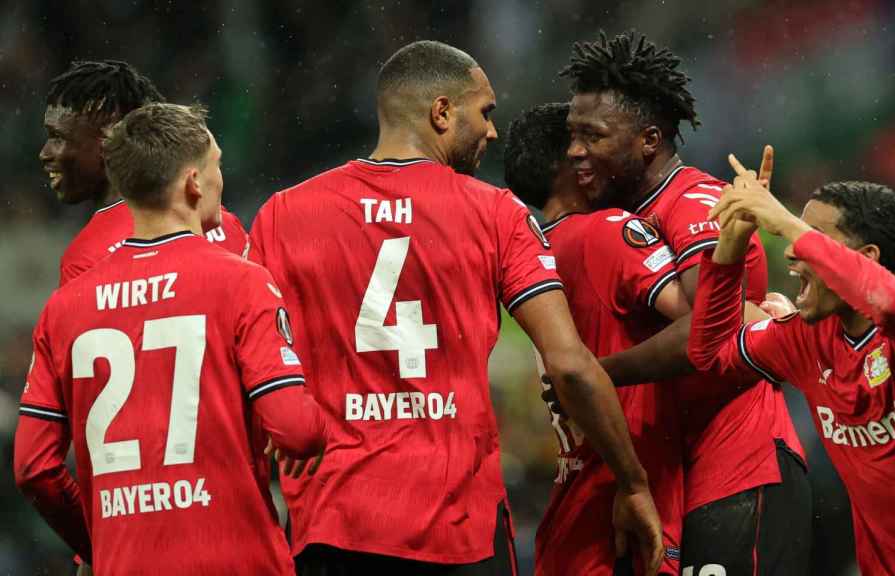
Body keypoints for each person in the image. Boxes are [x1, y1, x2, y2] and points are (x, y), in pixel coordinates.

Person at [249, 40, 664, 575]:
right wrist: (633, 483)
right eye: (484, 112)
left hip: (336, 523)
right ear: (441, 112)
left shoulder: (285, 214)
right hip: (459, 525)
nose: (493, 131)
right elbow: (568, 365)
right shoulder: (495, 213)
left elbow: (253, 371)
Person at [14, 103, 328, 575]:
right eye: (216, 165)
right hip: (236, 558)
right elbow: (296, 431)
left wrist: (97, 540)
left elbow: (33, 468)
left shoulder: (65, 307)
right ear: (194, 183)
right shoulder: (242, 283)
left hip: (126, 560)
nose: (221, 181)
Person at [689, 155, 895, 575]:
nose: (793, 252)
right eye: (797, 235)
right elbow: (710, 353)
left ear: (867, 256)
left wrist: (785, 221)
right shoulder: (804, 340)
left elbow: (893, 303)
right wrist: (730, 246)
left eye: (813, 237)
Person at [560, 31, 811, 574]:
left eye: (594, 135)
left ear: (648, 139)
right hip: (684, 472)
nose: (576, 150)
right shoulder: (624, 217)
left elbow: (708, 332)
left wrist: (590, 376)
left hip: (740, 464)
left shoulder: (693, 201)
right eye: (571, 134)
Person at [505, 102, 686, 575]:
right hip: (627, 511)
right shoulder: (609, 233)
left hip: (572, 510)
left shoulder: (531, 255)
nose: (595, 154)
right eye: (584, 143)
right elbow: (706, 324)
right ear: (572, 164)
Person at [40, 60, 249, 285]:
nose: (44, 153)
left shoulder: (86, 259)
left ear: (109, 136)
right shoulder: (223, 224)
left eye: (57, 137)